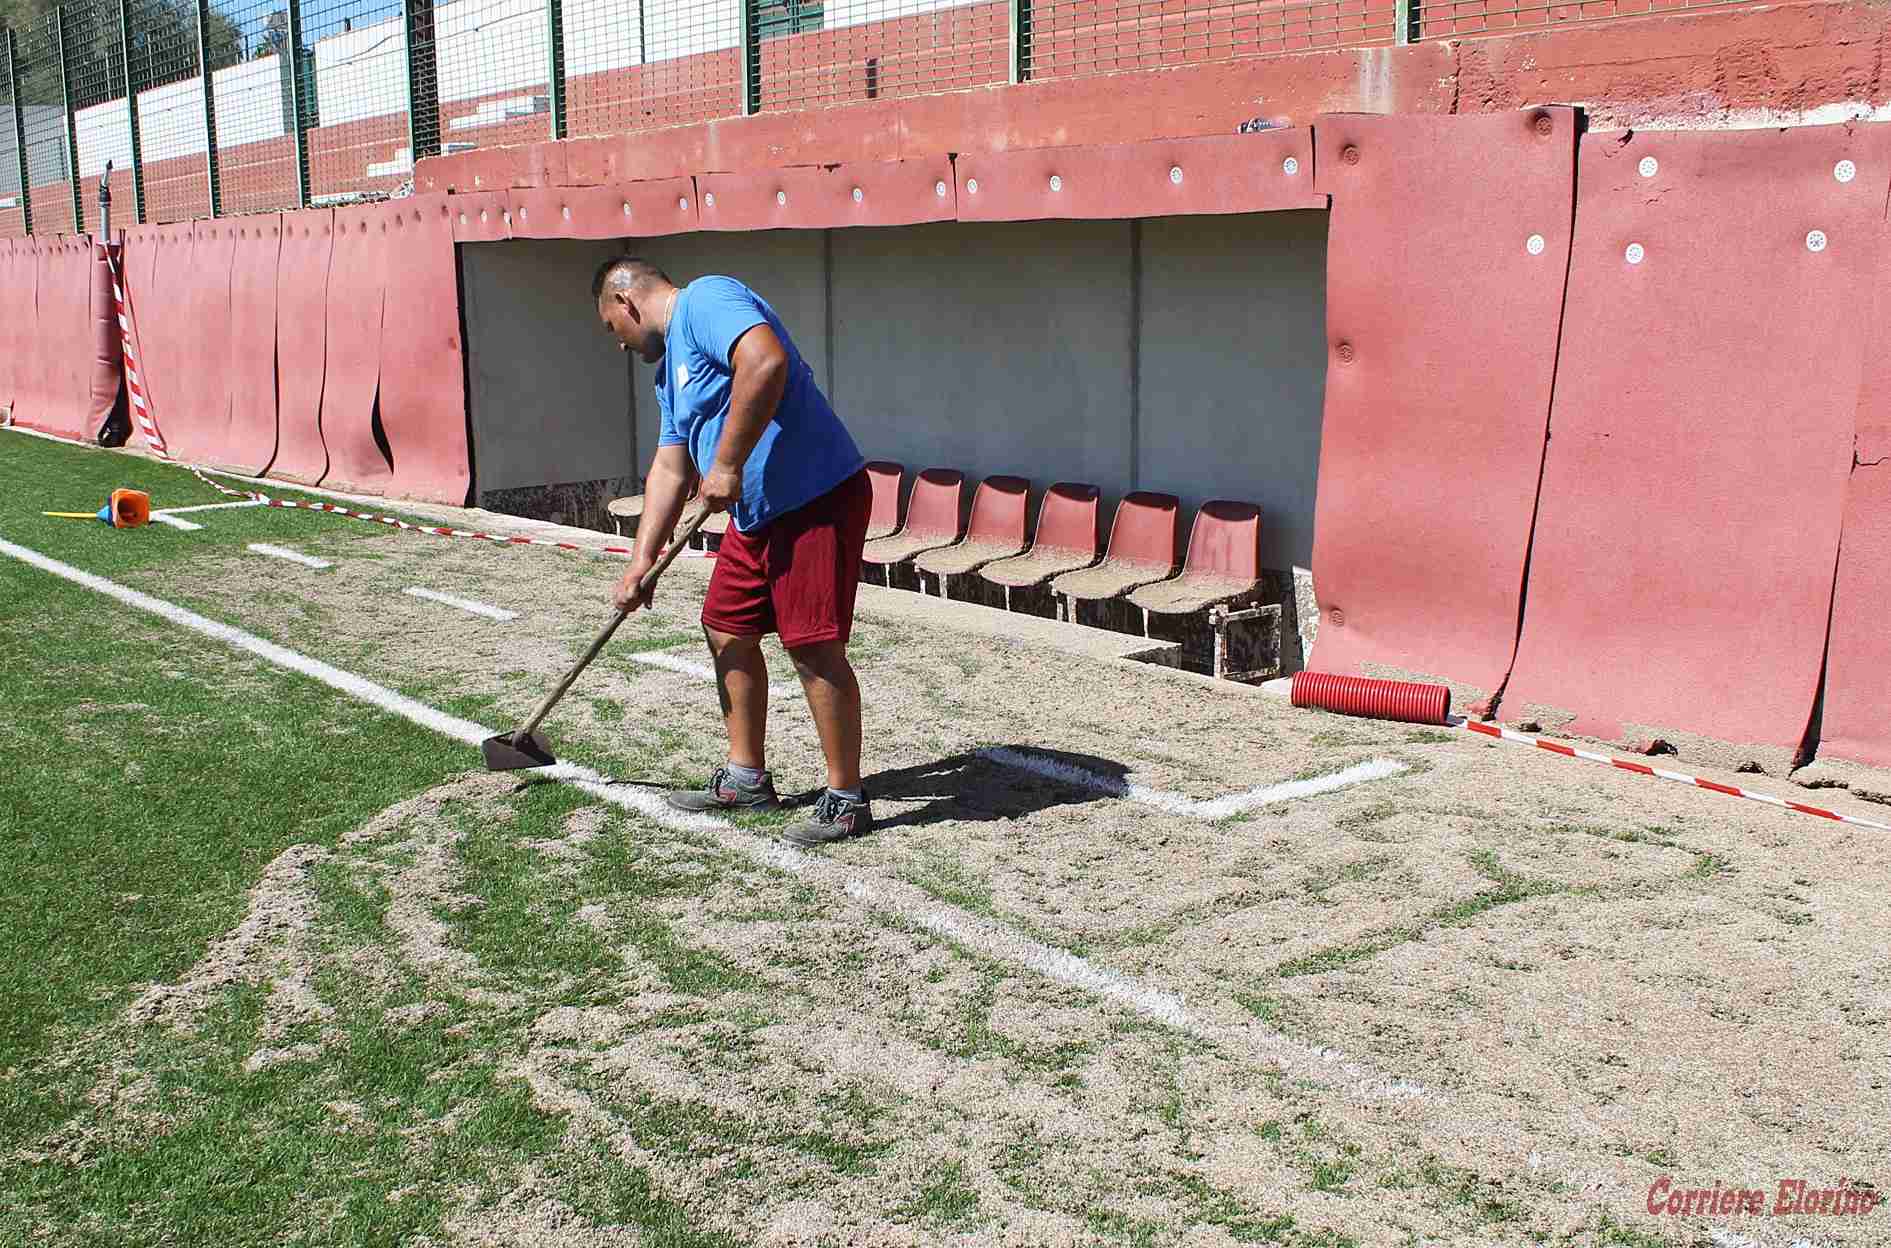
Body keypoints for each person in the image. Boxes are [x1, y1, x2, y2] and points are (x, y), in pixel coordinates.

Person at [593, 256, 873, 847]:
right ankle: (746, 779)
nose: (616, 344)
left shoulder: (707, 301)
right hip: (758, 512)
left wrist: (724, 464)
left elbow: (764, 360)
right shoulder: (669, 374)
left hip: (813, 494)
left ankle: (846, 799)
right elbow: (669, 468)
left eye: (610, 329)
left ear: (625, 302)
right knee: (726, 628)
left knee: (812, 644)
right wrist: (642, 559)